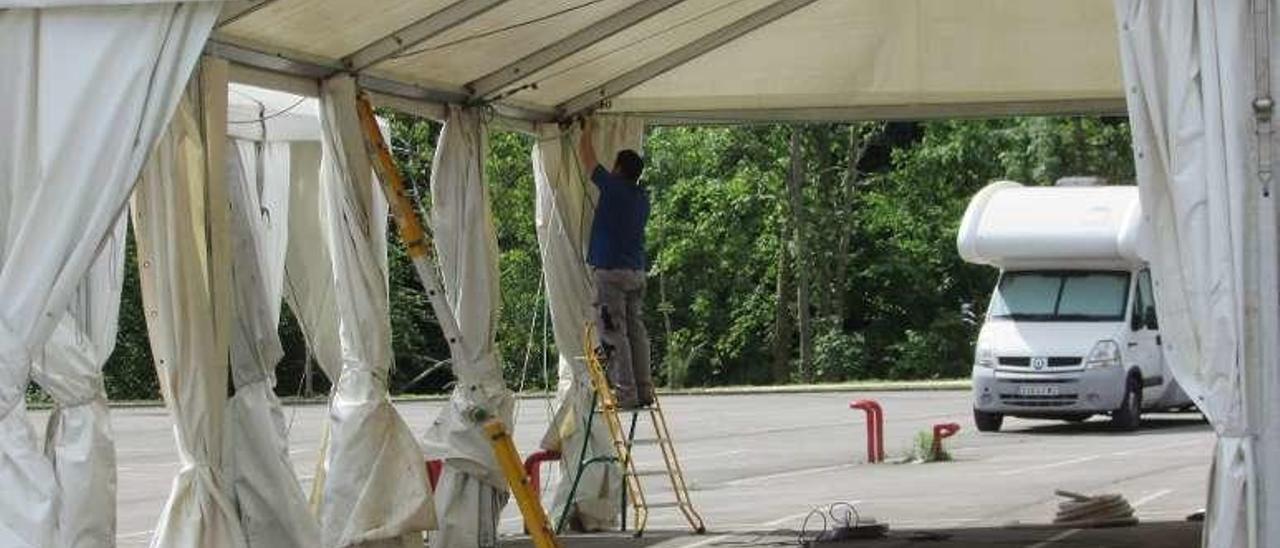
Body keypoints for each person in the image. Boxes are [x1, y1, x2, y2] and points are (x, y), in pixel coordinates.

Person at [578, 119, 653, 410]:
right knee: (636, 332)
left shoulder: (614, 188)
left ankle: (626, 394)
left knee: (613, 333)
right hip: (635, 271)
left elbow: (588, 159)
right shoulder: (640, 198)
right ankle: (644, 390)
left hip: (611, 274)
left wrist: (585, 130)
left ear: (619, 169)